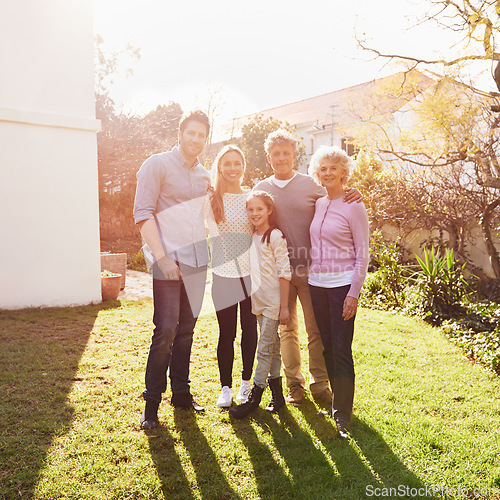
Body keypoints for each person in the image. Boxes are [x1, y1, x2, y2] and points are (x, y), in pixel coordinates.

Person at [254, 129, 362, 407]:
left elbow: (335, 197)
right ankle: (295, 385)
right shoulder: (261, 189)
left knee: (315, 331)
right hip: (280, 275)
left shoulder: (311, 185)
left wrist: (353, 191)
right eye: (276, 154)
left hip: (313, 273)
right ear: (269, 157)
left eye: (286, 153)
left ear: (294, 156)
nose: (281, 158)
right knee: (287, 330)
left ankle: (320, 384)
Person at [133, 110, 211, 430]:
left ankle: (181, 393)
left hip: (197, 261)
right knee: (165, 329)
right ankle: (151, 403)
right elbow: (143, 213)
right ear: (180, 134)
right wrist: (162, 258)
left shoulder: (206, 176)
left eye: (201, 135)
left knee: (187, 330)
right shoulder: (157, 164)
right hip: (168, 261)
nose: (195, 139)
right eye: (190, 133)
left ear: (206, 139)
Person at [307, 146, 370, 439]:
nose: (328, 172)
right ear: (317, 174)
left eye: (333, 168)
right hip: (316, 285)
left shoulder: (354, 205)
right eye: (323, 168)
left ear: (344, 172)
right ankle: (336, 403)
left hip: (342, 286)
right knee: (328, 347)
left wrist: (353, 293)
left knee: (342, 350)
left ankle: (343, 416)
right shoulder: (319, 204)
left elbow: (363, 254)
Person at [229, 191, 291, 419]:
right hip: (259, 302)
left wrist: (284, 306)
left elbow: (285, 273)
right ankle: (278, 396)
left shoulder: (275, 236)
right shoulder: (253, 236)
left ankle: (255, 396)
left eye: (259, 209)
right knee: (273, 348)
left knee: (264, 348)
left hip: (275, 302)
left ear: (269, 210)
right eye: (251, 209)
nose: (254, 213)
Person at [205, 145, 258, 408]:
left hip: (250, 276)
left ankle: (246, 384)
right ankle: (225, 387)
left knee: (249, 330)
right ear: (219, 166)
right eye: (227, 163)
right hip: (223, 276)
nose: (233, 168)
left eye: (237, 163)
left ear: (243, 165)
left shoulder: (252, 197)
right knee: (226, 333)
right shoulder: (211, 198)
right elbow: (211, 235)